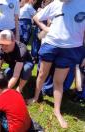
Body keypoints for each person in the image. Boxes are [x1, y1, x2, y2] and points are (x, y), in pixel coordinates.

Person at [28, 0, 85, 128]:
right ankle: (36, 97)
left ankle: (57, 111)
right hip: (51, 45)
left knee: (58, 81)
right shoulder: (55, 4)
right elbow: (37, 17)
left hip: (70, 49)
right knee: (42, 74)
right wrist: (45, 28)